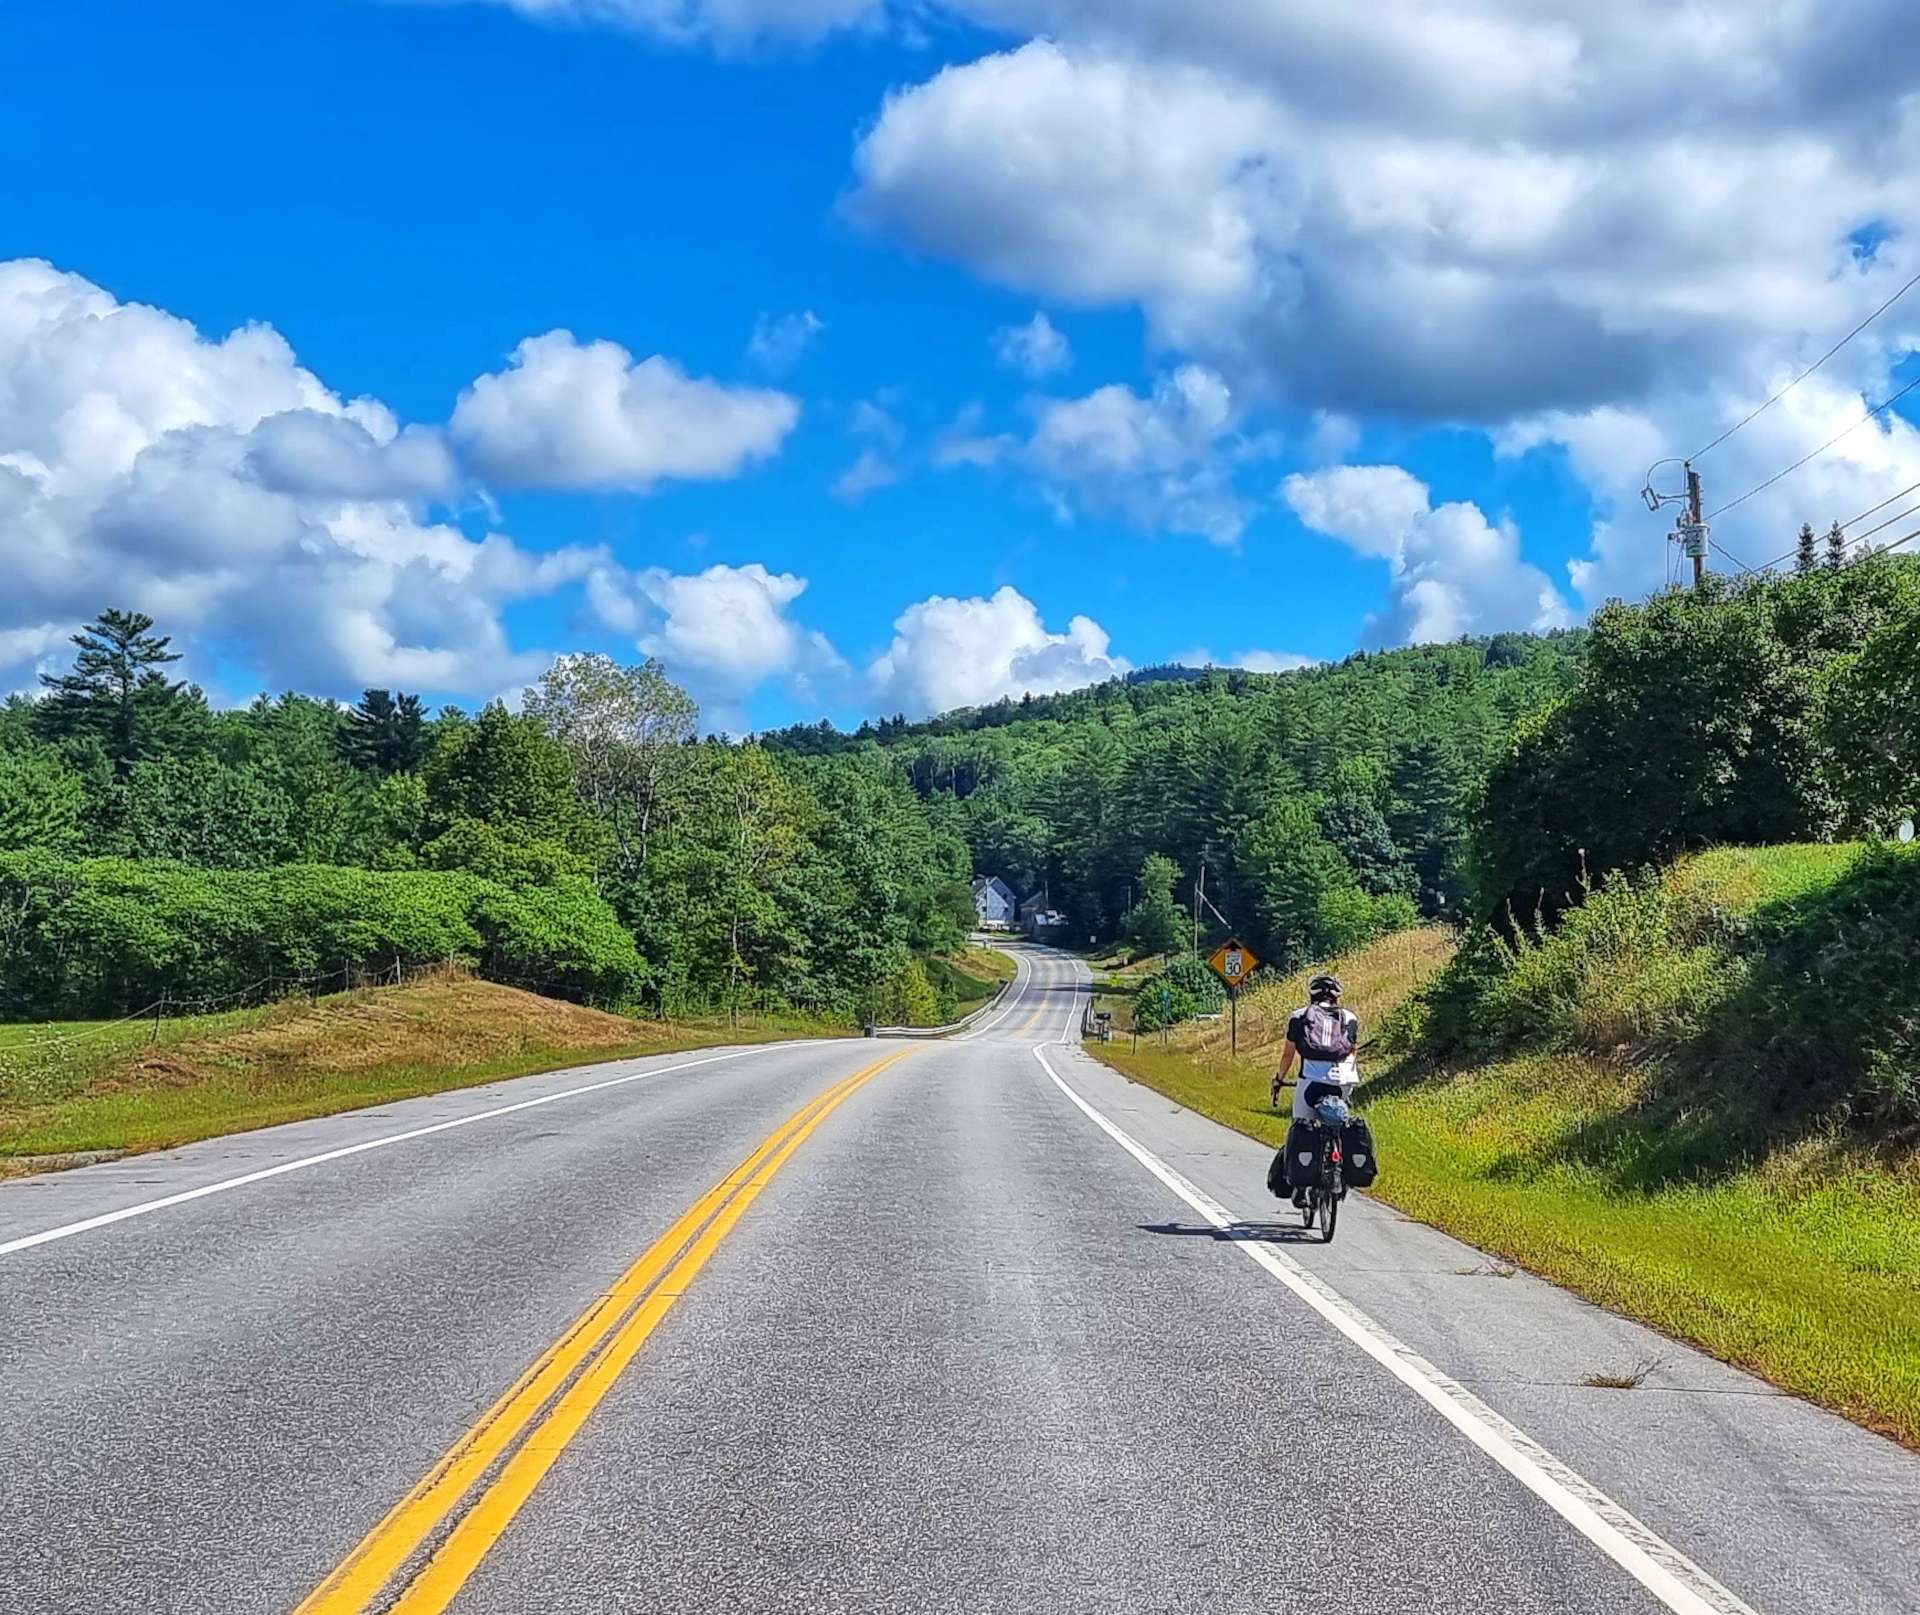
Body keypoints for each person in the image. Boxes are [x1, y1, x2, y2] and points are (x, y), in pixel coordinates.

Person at [1270, 973, 1360, 1208]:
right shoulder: (1350, 1017)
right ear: (1336, 997)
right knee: (1339, 1122)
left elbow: (1288, 1054)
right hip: (1343, 1082)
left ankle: (1301, 1188)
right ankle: (1339, 1168)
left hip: (1311, 1081)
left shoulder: (1299, 1016)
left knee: (1301, 1125)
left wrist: (1279, 1079)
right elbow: (1352, 1052)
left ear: (1312, 995)